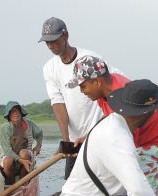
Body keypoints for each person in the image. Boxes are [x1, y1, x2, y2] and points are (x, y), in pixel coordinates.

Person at [70, 55, 158, 196]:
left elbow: (125, 139)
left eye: (83, 86)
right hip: (139, 137)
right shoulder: (102, 94)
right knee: (146, 184)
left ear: (97, 82)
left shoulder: (122, 94)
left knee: (140, 190)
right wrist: (89, 137)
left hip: (157, 140)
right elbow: (111, 119)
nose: (82, 91)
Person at [40, 17, 119, 178]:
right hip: (75, 141)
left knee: (104, 181)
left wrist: (95, 133)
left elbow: (114, 83)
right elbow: (58, 103)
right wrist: (66, 141)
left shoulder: (90, 58)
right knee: (71, 185)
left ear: (65, 36)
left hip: (98, 136)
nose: (50, 46)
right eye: (47, 43)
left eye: (54, 41)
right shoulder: (50, 68)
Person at [0, 101, 44, 182]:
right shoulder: (5, 127)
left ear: (21, 112)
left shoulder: (28, 123)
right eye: (12, 111)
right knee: (8, 161)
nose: (15, 114)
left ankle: (23, 181)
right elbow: (7, 150)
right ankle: (12, 185)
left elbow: (40, 133)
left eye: (17, 111)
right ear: (8, 114)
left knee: (24, 152)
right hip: (9, 155)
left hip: (26, 156)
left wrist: (38, 146)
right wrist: (20, 160)